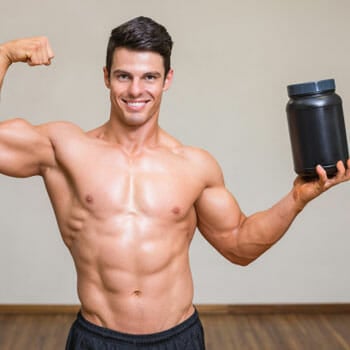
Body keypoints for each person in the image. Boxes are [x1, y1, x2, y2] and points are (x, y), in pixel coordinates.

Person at [0, 16, 349, 350]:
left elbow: (240, 246)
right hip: (98, 338)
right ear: (106, 77)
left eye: (149, 77)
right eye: (124, 76)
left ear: (167, 79)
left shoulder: (194, 166)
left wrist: (297, 198)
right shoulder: (65, 148)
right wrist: (4, 54)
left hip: (178, 339)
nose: (136, 90)